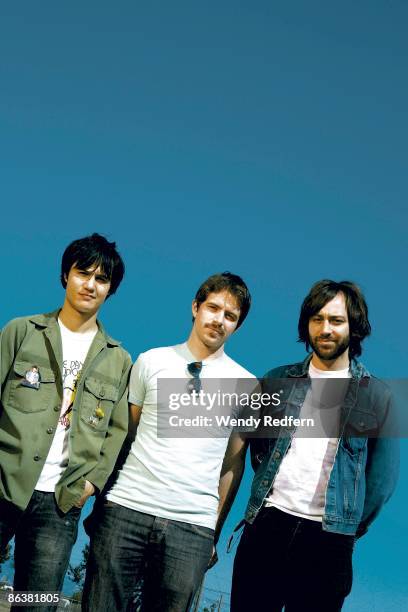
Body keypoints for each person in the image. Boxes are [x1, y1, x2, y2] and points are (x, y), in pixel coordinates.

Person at [82, 272, 255, 612]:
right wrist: (103, 505)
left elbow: (233, 465)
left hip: (192, 529)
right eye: (213, 307)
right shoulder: (151, 361)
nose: (219, 320)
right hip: (126, 510)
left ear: (237, 325)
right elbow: (125, 437)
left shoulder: (246, 385)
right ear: (195, 307)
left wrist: (213, 533)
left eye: (230, 316)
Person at [231, 279, 399, 612]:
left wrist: (346, 527)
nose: (325, 329)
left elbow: (381, 481)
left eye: (336, 320)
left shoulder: (379, 397)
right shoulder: (275, 380)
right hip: (267, 527)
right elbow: (257, 449)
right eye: (317, 319)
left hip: (328, 542)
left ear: (355, 328)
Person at [0, 233, 132, 610]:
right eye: (83, 273)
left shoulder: (118, 359)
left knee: (37, 604)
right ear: (65, 275)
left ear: (110, 290)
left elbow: (116, 433)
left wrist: (91, 484)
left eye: (101, 279)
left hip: (59, 504)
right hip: (4, 481)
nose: (90, 284)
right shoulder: (21, 331)